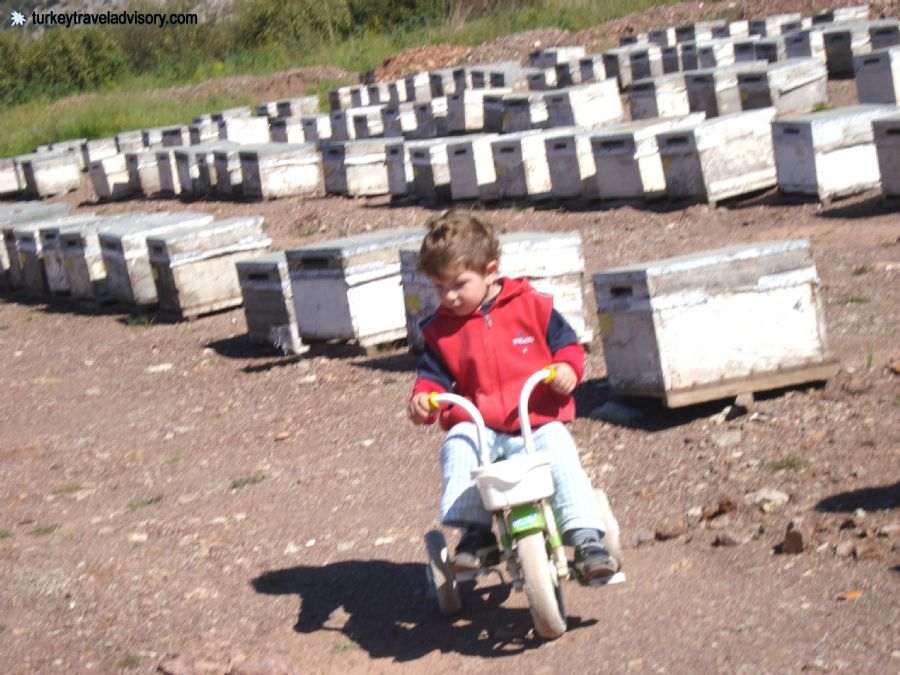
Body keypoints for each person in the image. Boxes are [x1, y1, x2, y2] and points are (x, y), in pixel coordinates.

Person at [407, 210, 618, 581]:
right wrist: (425, 400)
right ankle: (477, 533)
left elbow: (567, 345)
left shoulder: (532, 305)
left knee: (560, 451)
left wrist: (567, 369)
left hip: (534, 419)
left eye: (459, 284)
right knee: (458, 441)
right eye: (439, 288)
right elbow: (433, 378)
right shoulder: (440, 330)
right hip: (481, 425)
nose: (449, 296)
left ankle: (586, 539)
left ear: (490, 271)